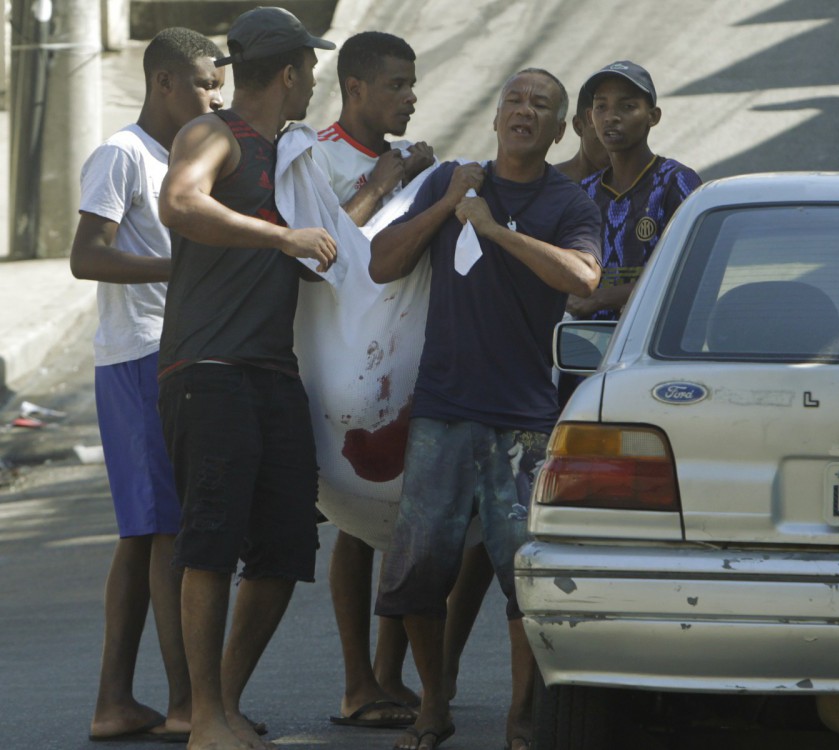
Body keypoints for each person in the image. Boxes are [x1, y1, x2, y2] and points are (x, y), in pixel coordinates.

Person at [369, 68, 602, 750]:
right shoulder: (452, 181)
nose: (524, 112)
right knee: (416, 573)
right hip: (443, 410)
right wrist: (449, 205)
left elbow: (584, 279)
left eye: (541, 106)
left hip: (524, 422)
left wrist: (495, 231)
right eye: (515, 101)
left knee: (524, 579)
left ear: (560, 130)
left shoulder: (568, 203)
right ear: (497, 118)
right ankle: (434, 704)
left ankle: (522, 716)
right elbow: (381, 262)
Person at [155, 7, 337, 750]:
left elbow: (318, 246)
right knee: (209, 544)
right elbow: (180, 201)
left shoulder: (288, 152)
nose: (315, 81)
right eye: (312, 69)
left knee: (287, 546)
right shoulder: (214, 134)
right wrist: (281, 234)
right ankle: (205, 720)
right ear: (289, 71)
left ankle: (223, 706)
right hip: (210, 370)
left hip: (272, 373)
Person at [71, 27, 223, 744]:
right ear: (163, 82)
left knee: (142, 535)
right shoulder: (123, 155)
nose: (214, 95)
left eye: (218, 82)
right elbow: (86, 256)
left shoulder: (192, 158)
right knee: (166, 531)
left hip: (177, 356)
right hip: (136, 359)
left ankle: (114, 704)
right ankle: (188, 703)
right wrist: (180, 272)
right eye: (202, 82)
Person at [309, 30, 433, 729]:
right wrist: (385, 184)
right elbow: (323, 254)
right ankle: (358, 679)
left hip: (401, 369)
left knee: (403, 522)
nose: (410, 96)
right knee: (351, 527)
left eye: (412, 84)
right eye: (395, 85)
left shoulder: (410, 160)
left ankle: (388, 675)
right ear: (355, 87)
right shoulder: (317, 156)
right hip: (334, 368)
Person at [568, 60, 701, 323]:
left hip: (655, 342)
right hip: (586, 346)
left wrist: (601, 298)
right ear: (590, 119)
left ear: (653, 116)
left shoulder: (677, 182)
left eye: (627, 107)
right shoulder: (583, 193)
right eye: (601, 107)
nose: (611, 116)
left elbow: (692, 271)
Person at [551, 82, 610, 183]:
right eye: (606, 137)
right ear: (579, 126)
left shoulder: (641, 186)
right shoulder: (549, 184)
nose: (616, 147)